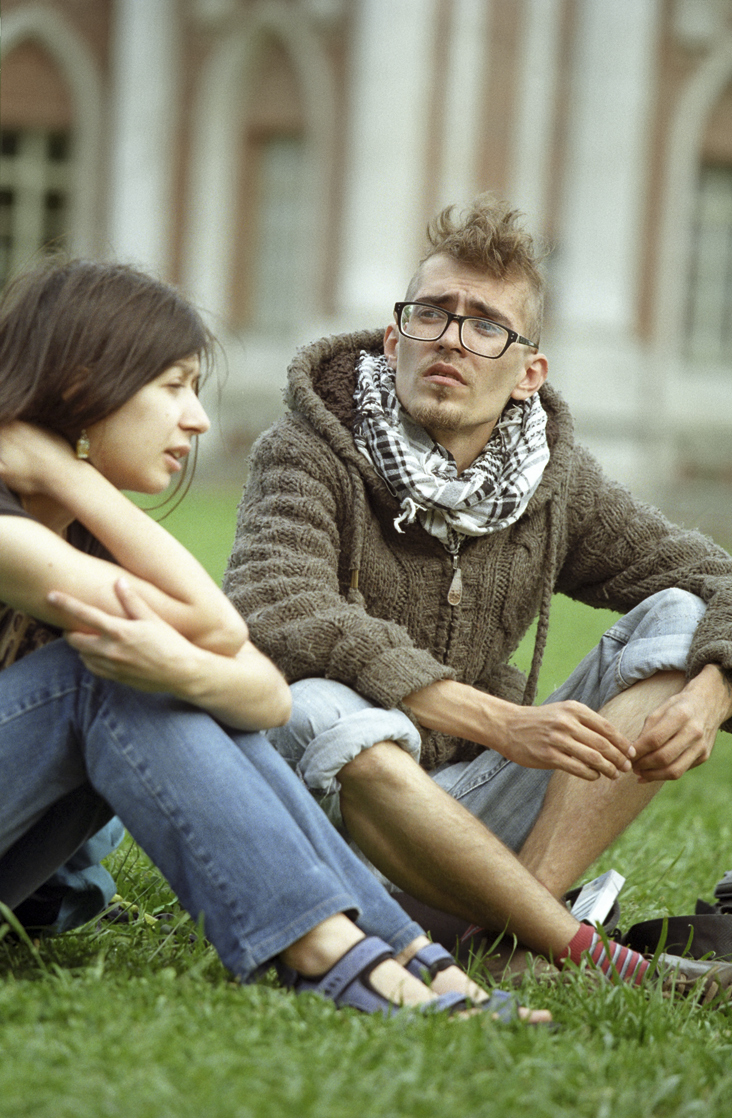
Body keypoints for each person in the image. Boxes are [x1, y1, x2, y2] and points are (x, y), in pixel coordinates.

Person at [0, 257, 551, 1022]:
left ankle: (394, 950)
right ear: (81, 385)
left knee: (161, 672)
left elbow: (261, 695)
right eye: (173, 387)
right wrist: (77, 478)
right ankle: (334, 953)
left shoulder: (82, 537)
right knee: (102, 673)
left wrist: (189, 669)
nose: (196, 420)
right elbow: (217, 625)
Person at [224, 194, 732, 987]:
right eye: (432, 313)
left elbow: (713, 578)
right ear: (395, 338)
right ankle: (567, 943)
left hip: (475, 814)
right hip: (329, 818)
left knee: (682, 617)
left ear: (529, 373)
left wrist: (714, 690)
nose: (452, 339)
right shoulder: (306, 448)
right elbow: (278, 606)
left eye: (486, 324)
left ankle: (518, 934)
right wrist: (503, 723)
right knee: (317, 706)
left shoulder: (554, 483)